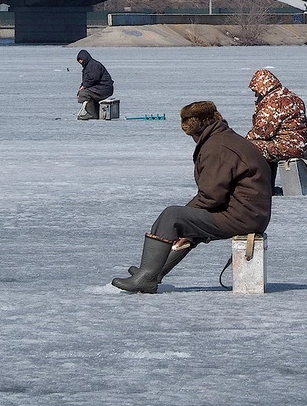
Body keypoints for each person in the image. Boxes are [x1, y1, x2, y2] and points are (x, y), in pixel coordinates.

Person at [112, 101, 272, 293]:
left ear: (198, 128)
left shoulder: (217, 147)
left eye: (192, 135)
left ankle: (147, 275)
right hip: (250, 212)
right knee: (183, 221)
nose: (193, 140)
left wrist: (185, 219)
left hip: (243, 216)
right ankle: (154, 271)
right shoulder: (223, 138)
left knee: (172, 217)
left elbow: (211, 196)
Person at [245, 69, 307, 164]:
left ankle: (257, 177)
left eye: (256, 90)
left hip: (288, 147)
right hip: (302, 145)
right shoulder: (289, 96)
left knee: (249, 147)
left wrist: (242, 142)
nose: (256, 94)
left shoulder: (273, 102)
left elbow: (262, 131)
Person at [75, 50, 114, 120]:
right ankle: (95, 112)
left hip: (104, 88)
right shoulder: (88, 66)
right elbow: (87, 79)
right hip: (101, 88)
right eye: (79, 60)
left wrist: (84, 86)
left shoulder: (93, 65)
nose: (80, 61)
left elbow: (94, 78)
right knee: (85, 93)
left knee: (84, 94)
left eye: (81, 59)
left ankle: (92, 114)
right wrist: (82, 86)